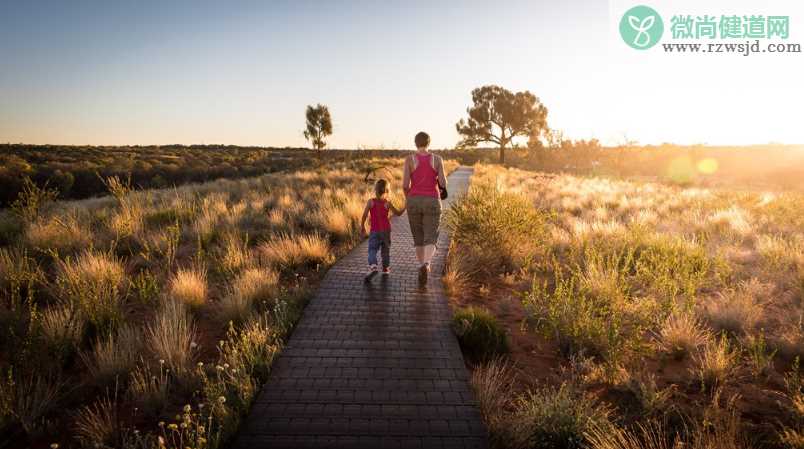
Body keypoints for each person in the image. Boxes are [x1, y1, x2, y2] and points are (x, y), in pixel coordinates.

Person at [402, 131, 447, 284]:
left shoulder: (409, 159)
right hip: (432, 201)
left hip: (414, 200)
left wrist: (409, 198)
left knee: (418, 238)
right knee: (431, 236)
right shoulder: (437, 159)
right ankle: (427, 264)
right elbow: (443, 183)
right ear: (428, 143)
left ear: (415, 143)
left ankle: (421, 264)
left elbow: (404, 185)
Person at [360, 178, 405, 281]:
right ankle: (385, 268)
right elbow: (398, 213)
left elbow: (364, 215)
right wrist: (405, 206)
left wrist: (362, 226)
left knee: (372, 249)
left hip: (375, 231)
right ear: (386, 191)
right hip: (386, 231)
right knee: (385, 250)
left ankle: (373, 267)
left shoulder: (371, 202)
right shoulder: (387, 203)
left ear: (375, 189)